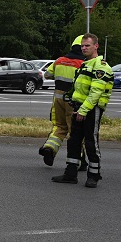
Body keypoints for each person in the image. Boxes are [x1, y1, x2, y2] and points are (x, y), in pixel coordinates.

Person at [52, 33, 113, 188]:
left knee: (91, 143)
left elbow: (95, 93)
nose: (84, 48)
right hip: (78, 108)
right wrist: (71, 99)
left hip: (92, 110)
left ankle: (94, 176)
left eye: (88, 45)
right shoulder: (84, 64)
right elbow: (79, 88)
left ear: (96, 46)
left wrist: (83, 111)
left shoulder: (101, 67)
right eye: (83, 46)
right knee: (74, 141)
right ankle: (70, 174)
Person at [38, 36, 86, 166]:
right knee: (75, 131)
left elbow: (47, 74)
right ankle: (80, 160)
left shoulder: (59, 61)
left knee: (59, 127)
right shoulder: (83, 64)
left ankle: (49, 148)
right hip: (74, 101)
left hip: (58, 99)